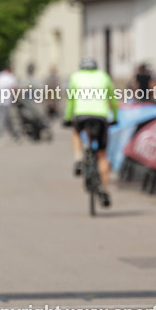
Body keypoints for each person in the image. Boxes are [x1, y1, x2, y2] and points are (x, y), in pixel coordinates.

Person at [64, 57, 118, 208]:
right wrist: (115, 116)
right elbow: (112, 99)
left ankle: (79, 158)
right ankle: (104, 189)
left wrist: (68, 117)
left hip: (81, 114)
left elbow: (71, 100)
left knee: (76, 133)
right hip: (101, 116)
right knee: (101, 154)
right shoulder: (104, 76)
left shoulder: (75, 77)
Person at [0, 65, 20, 143]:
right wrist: (17, 99)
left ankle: (14, 136)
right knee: (2, 118)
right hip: (6, 101)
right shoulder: (10, 77)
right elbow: (14, 89)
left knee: (7, 119)